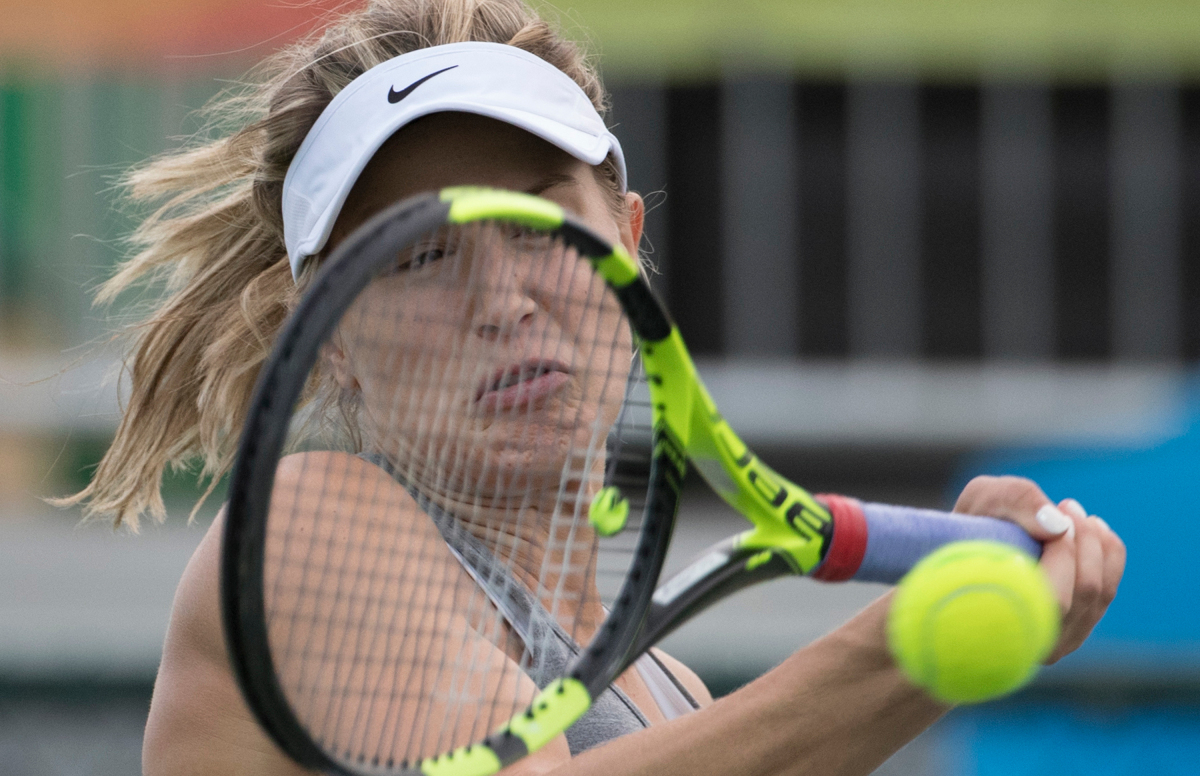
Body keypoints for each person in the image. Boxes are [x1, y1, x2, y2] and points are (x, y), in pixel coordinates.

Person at [64, 1, 1126, 774]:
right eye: (422, 254)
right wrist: (918, 645)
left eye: (539, 220)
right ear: (329, 335)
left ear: (624, 237)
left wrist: (951, 617)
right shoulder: (300, 534)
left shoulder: (670, 695)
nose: (503, 299)